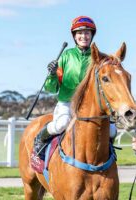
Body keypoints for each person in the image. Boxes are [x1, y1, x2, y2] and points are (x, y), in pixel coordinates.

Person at [32, 16, 117, 161]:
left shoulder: (99, 58)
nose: (83, 36)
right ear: (74, 36)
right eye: (80, 33)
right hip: (67, 103)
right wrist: (52, 74)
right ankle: (40, 138)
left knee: (112, 131)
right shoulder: (66, 56)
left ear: (92, 35)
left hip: (91, 107)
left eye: (87, 33)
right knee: (61, 124)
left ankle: (107, 153)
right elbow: (52, 88)